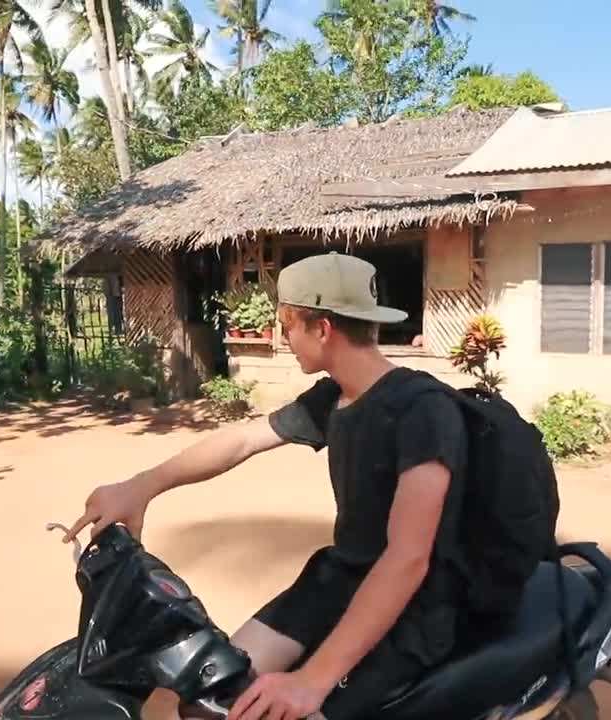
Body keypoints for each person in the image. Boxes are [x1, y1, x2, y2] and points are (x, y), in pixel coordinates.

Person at [64, 253, 470, 720]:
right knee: (208, 701)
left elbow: (408, 558)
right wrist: (141, 486)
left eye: (288, 324)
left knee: (278, 712)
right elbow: (241, 440)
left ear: (322, 328)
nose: (282, 337)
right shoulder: (335, 396)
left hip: (416, 604)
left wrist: (311, 682)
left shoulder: (423, 411)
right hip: (339, 579)